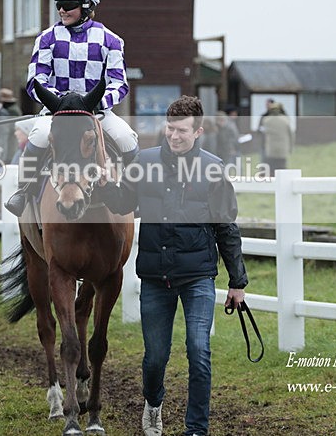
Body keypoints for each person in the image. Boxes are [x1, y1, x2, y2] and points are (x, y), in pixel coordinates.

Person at [97, 95, 248, 436]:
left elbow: (226, 227)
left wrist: (237, 283)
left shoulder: (213, 168)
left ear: (198, 132)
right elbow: (124, 203)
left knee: (199, 351)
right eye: (170, 128)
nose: (174, 136)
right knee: (155, 358)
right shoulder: (143, 162)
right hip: (155, 275)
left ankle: (196, 428)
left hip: (197, 276)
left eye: (181, 130)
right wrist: (106, 185)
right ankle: (153, 404)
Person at [4, 0, 139, 216]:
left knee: (126, 138)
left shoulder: (111, 40)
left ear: (87, 6)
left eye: (68, 4)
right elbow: (36, 80)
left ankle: (135, 195)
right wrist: (61, 102)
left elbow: (119, 83)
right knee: (38, 137)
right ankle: (23, 193)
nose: (62, 10)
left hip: (95, 112)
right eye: (59, 4)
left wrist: (99, 102)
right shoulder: (46, 39)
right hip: (57, 112)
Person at [261, 102, 294, 176]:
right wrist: (290, 148)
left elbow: (262, 133)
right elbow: (291, 135)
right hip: (283, 150)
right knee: (282, 169)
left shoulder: (266, 120)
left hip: (270, 150)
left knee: (271, 169)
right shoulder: (286, 120)